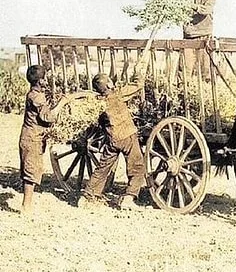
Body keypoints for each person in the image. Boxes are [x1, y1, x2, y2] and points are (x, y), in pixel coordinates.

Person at [78, 74, 145, 209]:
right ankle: (129, 197)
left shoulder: (99, 102)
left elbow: (101, 123)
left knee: (103, 167)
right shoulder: (118, 95)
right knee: (137, 166)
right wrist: (139, 74)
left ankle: (87, 196)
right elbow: (137, 86)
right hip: (127, 137)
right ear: (109, 85)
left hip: (112, 140)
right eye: (110, 80)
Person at [19, 64, 72, 215]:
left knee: (33, 169)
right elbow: (48, 118)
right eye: (45, 78)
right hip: (32, 138)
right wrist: (62, 102)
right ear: (41, 81)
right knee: (31, 171)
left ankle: (27, 205)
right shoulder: (36, 96)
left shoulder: (35, 94)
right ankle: (26, 206)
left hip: (33, 137)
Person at [183, 0, 215, 79]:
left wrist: (193, 6)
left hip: (204, 37)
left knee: (205, 68)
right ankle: (183, 89)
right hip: (189, 38)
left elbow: (206, 10)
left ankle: (206, 91)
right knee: (185, 68)